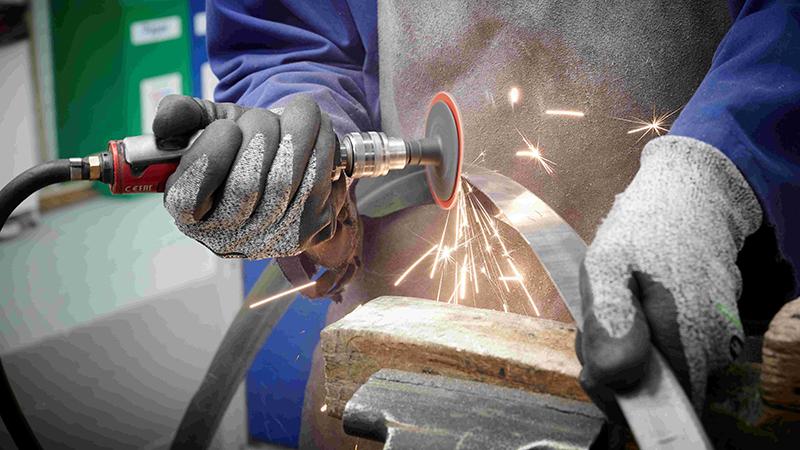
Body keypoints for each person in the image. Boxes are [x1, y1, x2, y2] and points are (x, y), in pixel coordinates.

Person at [153, 0, 799, 445]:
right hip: (392, 371)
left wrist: (712, 174)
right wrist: (297, 131)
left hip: (669, 338)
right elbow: (286, 29)